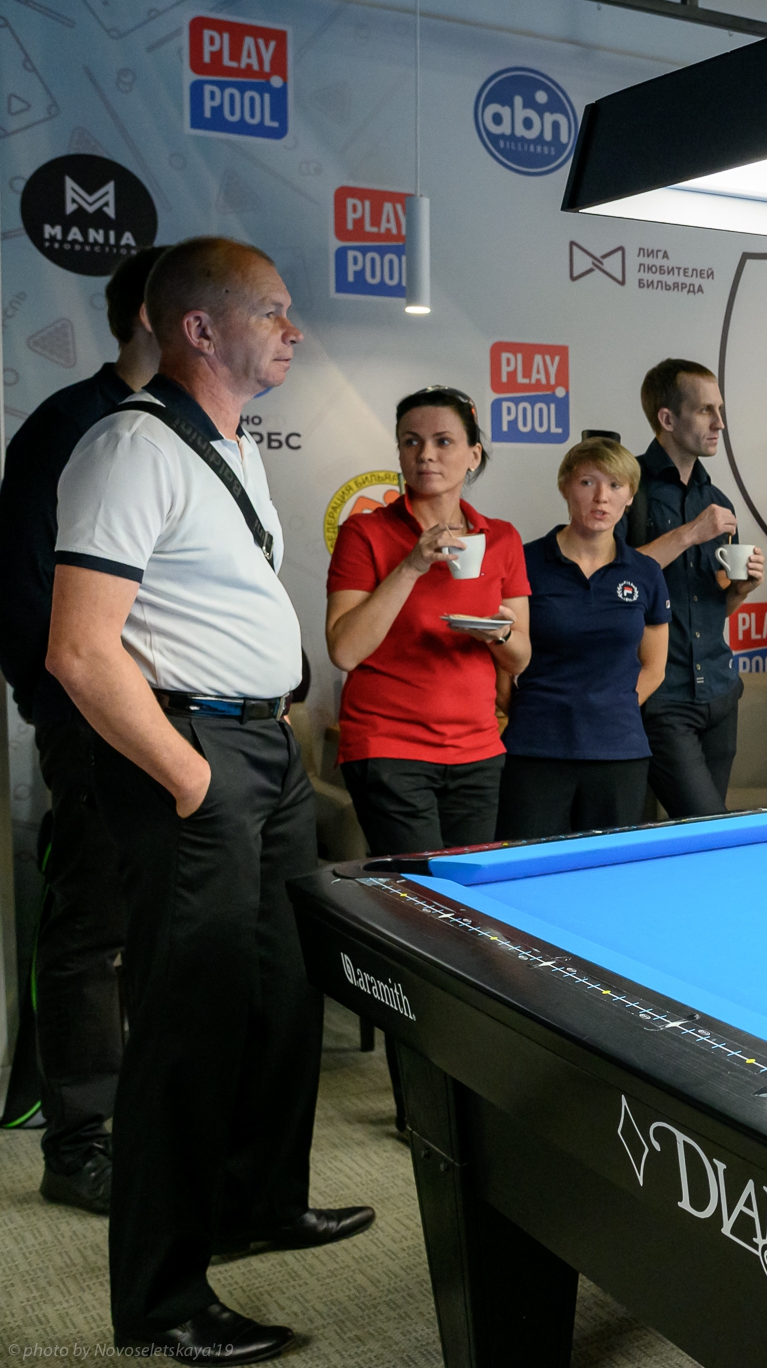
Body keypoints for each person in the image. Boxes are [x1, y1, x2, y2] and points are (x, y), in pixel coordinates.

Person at [48, 236, 370, 1360]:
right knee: (187, 1025)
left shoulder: (229, 445)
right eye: (272, 312)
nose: (293, 330)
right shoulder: (129, 445)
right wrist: (188, 774)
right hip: (195, 758)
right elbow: (80, 651)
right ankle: (162, 1301)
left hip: (263, 749)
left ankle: (258, 1203)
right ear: (198, 327)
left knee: (280, 996)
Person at [0, 246, 160, 1216]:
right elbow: (20, 589)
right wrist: (65, 706)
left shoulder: (188, 432)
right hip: (95, 722)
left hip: (178, 727)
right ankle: (78, 1145)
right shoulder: (73, 423)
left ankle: (143, 1120)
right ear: (158, 315)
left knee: (154, 932)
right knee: (91, 932)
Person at [326, 387, 530, 853]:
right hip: (388, 746)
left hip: (478, 750)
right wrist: (412, 565)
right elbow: (344, 650)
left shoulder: (501, 538)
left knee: (467, 888)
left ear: (473, 455)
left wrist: (498, 634)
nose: (425, 455)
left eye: (443, 441)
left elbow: (520, 658)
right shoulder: (365, 531)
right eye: (411, 441)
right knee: (420, 887)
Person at [498, 437, 671, 838]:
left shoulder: (645, 572)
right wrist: (531, 713)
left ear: (630, 497)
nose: (601, 497)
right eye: (587, 482)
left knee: (610, 871)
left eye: (615, 485)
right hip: (535, 749)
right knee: (531, 866)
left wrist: (610, 709)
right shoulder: (526, 561)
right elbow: (502, 660)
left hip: (620, 753)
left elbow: (655, 667)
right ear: (565, 487)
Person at [626, 359, 765, 818]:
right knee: (708, 824)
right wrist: (689, 534)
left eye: (720, 409)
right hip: (661, 696)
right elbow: (613, 582)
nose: (719, 423)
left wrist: (740, 590)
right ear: (667, 419)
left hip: (720, 693)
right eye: (706, 410)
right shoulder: (627, 489)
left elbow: (709, 608)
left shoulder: (717, 500)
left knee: (705, 833)